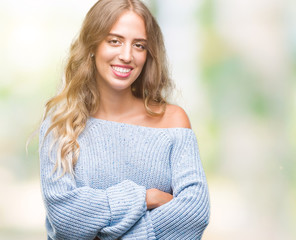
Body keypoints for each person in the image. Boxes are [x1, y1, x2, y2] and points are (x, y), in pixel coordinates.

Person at [38, 0, 210, 239]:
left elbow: (194, 214)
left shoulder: (172, 121)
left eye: (139, 45)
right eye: (114, 41)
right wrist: (145, 198)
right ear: (92, 45)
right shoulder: (61, 124)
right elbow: (66, 218)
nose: (127, 55)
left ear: (148, 54)